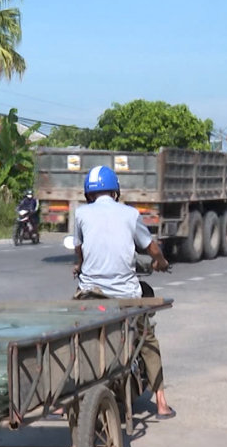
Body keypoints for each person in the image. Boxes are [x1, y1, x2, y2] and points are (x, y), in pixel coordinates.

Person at [72, 165, 176, 419]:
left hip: (90, 293)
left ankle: (67, 398)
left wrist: (79, 266)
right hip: (126, 296)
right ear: (115, 191)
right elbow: (151, 248)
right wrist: (160, 263)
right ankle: (161, 403)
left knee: (73, 336)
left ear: (88, 194)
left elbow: (79, 250)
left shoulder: (80, 214)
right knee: (147, 338)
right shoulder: (130, 214)